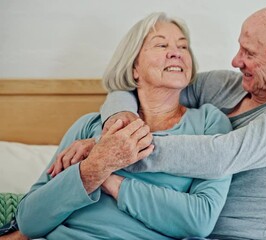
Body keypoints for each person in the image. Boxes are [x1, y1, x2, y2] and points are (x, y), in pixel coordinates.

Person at [46, 5, 266, 240]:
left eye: (250, 54)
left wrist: (110, 154)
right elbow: (148, 83)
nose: (236, 61)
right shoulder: (226, 86)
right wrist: (116, 125)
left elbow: (222, 155)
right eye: (239, 48)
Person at [4, 12, 233, 240]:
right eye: (161, 45)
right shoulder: (89, 126)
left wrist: (105, 174)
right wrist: (91, 170)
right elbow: (29, 221)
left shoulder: (208, 123)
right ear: (134, 67)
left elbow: (199, 220)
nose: (176, 53)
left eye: (183, 47)